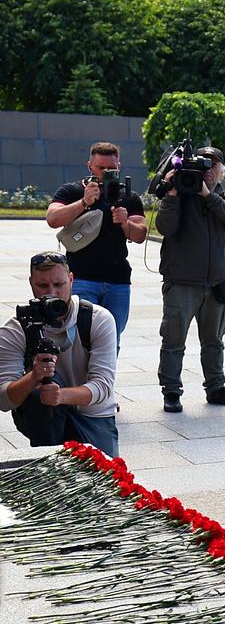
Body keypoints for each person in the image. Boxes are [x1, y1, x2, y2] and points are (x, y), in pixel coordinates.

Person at [155, 146, 225, 414]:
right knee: (173, 341)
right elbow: (165, 228)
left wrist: (207, 196)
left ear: (221, 171)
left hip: (217, 283)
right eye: (204, 167)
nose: (208, 172)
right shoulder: (179, 197)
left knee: (214, 341)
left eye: (214, 166)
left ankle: (216, 387)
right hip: (182, 283)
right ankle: (171, 391)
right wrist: (171, 194)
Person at [0, 251, 118, 455]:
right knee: (39, 394)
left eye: (59, 284)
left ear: (71, 280)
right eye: (42, 286)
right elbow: (3, 399)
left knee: (106, 476)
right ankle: (48, 458)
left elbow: (103, 386)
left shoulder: (98, 319)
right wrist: (34, 377)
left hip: (92, 414)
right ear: (31, 283)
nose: (52, 293)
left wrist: (61, 396)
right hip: (43, 413)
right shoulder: (16, 327)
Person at [45, 142, 146, 342]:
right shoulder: (73, 190)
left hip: (118, 281)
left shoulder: (129, 196)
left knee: (111, 341)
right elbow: (53, 218)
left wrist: (125, 223)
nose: (106, 172)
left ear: (120, 166)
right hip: (82, 278)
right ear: (89, 165)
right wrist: (83, 203)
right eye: (101, 168)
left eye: (112, 168)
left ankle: (105, 375)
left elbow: (140, 234)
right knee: (80, 340)